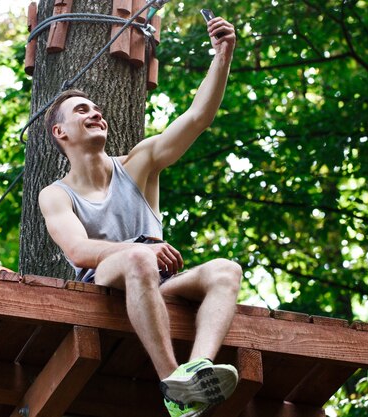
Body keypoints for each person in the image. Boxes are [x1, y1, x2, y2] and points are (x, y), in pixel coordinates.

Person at [38, 15, 240, 417]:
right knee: (138, 257)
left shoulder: (138, 163)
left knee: (225, 269)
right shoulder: (55, 195)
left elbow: (197, 119)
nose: (96, 114)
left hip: (156, 284)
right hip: (107, 284)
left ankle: (198, 367)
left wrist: (223, 56)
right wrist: (136, 247)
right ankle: (174, 387)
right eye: (82, 110)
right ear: (61, 133)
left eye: (97, 109)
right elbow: (78, 251)